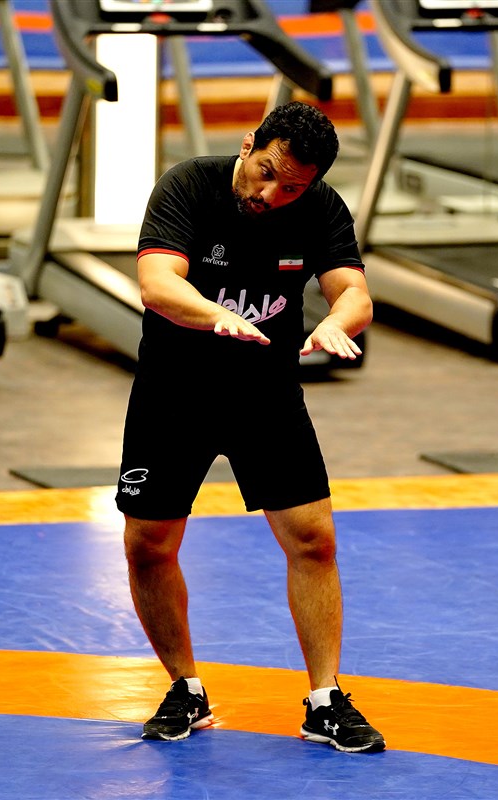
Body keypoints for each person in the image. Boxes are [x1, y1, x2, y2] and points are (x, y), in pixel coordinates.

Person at [116, 101, 385, 752]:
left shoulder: (320, 208)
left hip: (265, 393)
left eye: (291, 187)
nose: (272, 194)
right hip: (174, 392)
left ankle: (325, 700)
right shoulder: (189, 186)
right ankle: (184, 687)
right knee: (148, 544)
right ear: (248, 144)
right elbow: (156, 284)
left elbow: (355, 294)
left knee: (313, 539)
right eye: (267, 173)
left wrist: (334, 322)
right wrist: (215, 315)